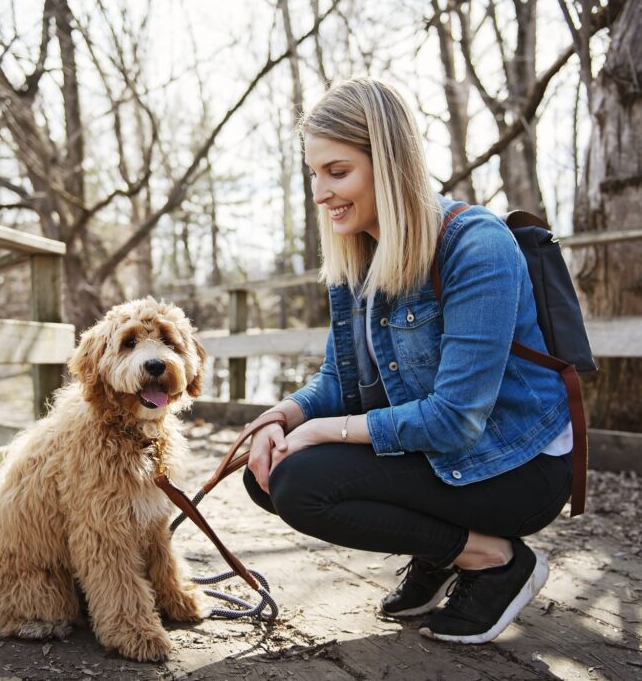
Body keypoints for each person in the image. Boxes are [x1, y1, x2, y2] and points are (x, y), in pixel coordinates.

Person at [243, 78, 574, 645]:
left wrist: (325, 430)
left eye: (337, 172)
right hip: (443, 454)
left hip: (513, 465)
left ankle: (492, 559)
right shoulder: (359, 258)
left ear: (389, 162)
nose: (320, 193)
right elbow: (338, 379)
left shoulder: (476, 245)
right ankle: (442, 549)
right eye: (314, 174)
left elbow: (455, 420)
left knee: (301, 483)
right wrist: (284, 416)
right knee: (268, 471)